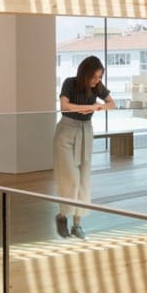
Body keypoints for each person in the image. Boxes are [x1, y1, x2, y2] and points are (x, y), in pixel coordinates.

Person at [53, 55, 115, 240]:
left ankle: (77, 225)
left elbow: (112, 104)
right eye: (94, 77)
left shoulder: (98, 86)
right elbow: (64, 105)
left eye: (99, 77)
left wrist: (98, 107)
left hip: (86, 132)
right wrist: (83, 108)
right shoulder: (69, 83)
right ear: (84, 73)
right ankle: (62, 215)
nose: (97, 81)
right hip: (66, 131)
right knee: (70, 178)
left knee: (84, 179)